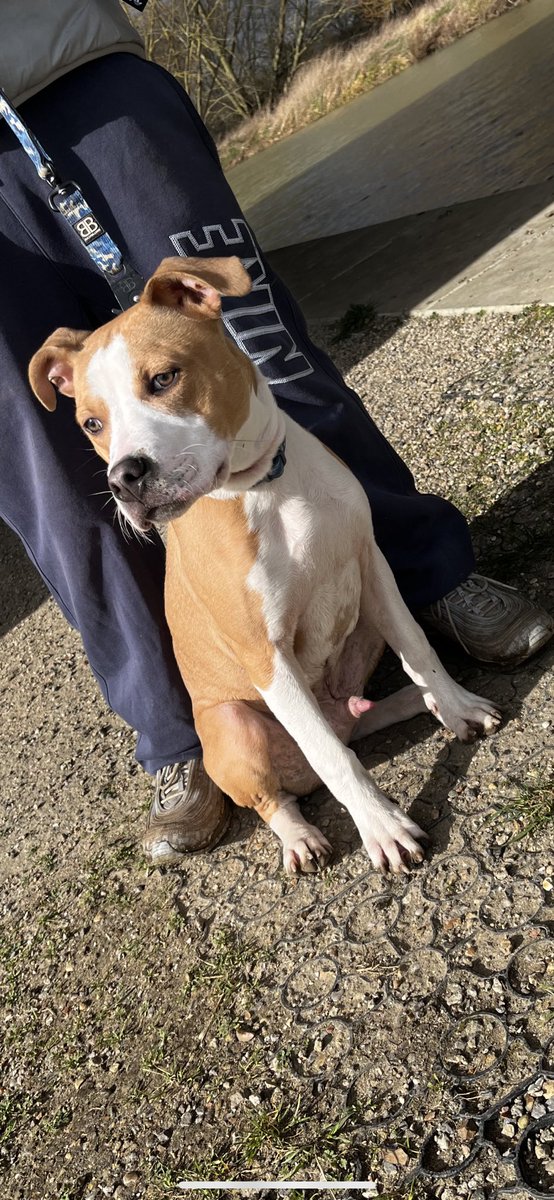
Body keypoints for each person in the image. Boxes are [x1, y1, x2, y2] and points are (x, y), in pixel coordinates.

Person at [1, 0, 552, 866]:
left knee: (266, 358)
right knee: (52, 482)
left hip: (67, 60)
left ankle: (431, 574)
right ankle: (182, 738)